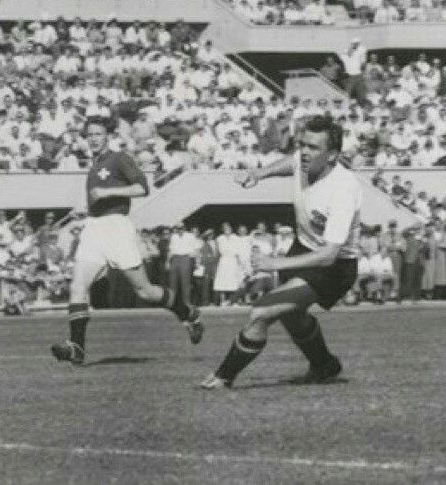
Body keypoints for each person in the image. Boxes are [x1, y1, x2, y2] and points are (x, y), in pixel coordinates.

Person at [200, 115, 360, 389]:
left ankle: (223, 377)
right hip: (305, 248)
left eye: (313, 148)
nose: (305, 153)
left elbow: (329, 254)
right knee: (292, 314)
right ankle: (325, 366)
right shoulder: (304, 161)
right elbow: (291, 163)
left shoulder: (344, 188)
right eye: (302, 145)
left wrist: (274, 263)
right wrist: (259, 174)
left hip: (334, 266)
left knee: (263, 311)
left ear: (332, 155)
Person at [50, 117, 203, 366]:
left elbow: (143, 188)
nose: (94, 139)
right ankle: (77, 346)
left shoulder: (119, 158)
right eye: (90, 135)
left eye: (98, 134)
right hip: (94, 228)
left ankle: (188, 313)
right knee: (78, 287)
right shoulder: (95, 164)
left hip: (116, 228)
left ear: (107, 136)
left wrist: (108, 193)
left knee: (145, 290)